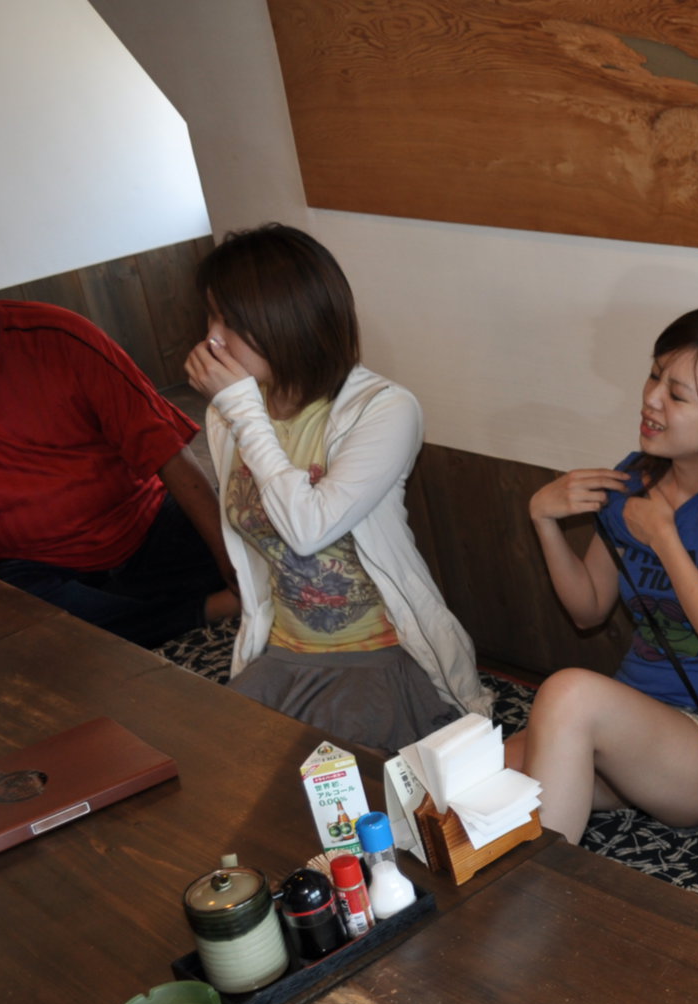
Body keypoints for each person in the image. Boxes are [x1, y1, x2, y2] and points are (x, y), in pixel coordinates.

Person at [516, 304, 698, 841]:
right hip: (635, 730)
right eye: (655, 376)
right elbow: (588, 610)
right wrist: (544, 521)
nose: (651, 399)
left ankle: (540, 880)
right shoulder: (636, 476)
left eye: (677, 395)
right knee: (474, 772)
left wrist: (664, 537)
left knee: (569, 693)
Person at [184, 224, 488, 750]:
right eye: (210, 316)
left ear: (285, 319)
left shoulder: (385, 408)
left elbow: (309, 530)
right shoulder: (231, 413)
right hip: (282, 652)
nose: (212, 338)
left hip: (378, 657)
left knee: (324, 786)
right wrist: (240, 410)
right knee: (212, 760)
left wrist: (241, 410)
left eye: (229, 320)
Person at [0, 226, 235, 647]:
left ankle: (150, 615)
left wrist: (228, 558)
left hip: (146, 528)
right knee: (32, 628)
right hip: (30, 569)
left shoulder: (58, 337)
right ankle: (206, 609)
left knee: (260, 545)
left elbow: (166, 451)